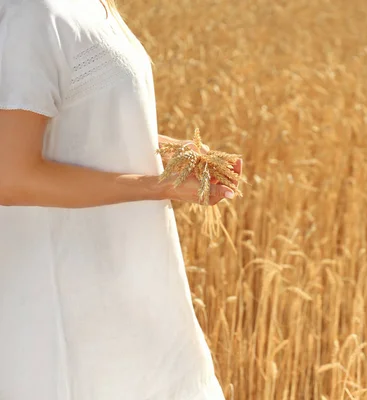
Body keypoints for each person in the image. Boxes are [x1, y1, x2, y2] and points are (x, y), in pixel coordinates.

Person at [0, 0, 241, 398]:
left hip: (124, 285)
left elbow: (89, 125)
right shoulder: (34, 14)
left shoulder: (90, 5)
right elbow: (11, 176)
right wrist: (155, 185)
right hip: (64, 299)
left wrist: (173, 153)